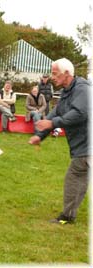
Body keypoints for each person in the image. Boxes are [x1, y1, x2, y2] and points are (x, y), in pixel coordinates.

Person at [29, 58, 90, 225]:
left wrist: (53, 123)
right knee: (77, 177)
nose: (52, 77)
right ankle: (68, 216)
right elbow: (55, 114)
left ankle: (68, 216)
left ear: (67, 74)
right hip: (83, 147)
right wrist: (39, 135)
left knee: (75, 177)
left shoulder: (83, 89)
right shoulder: (66, 92)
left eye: (55, 74)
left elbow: (80, 113)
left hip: (87, 145)